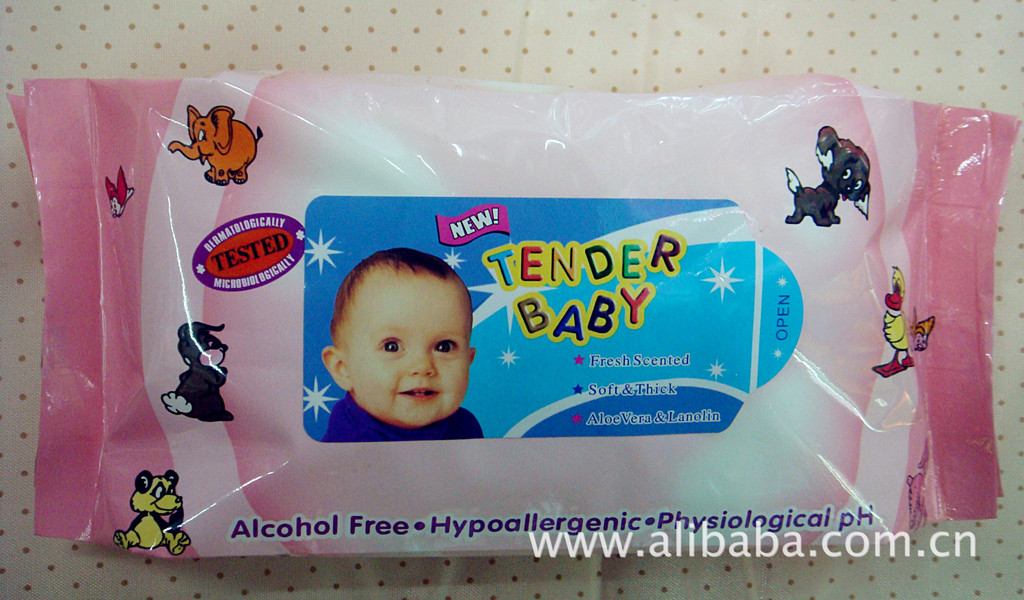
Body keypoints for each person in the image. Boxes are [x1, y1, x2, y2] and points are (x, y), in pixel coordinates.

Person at [320, 248, 482, 442]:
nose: (422, 366)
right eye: (392, 347)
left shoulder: (464, 426)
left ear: (468, 360)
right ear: (343, 368)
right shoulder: (348, 445)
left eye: (444, 347)